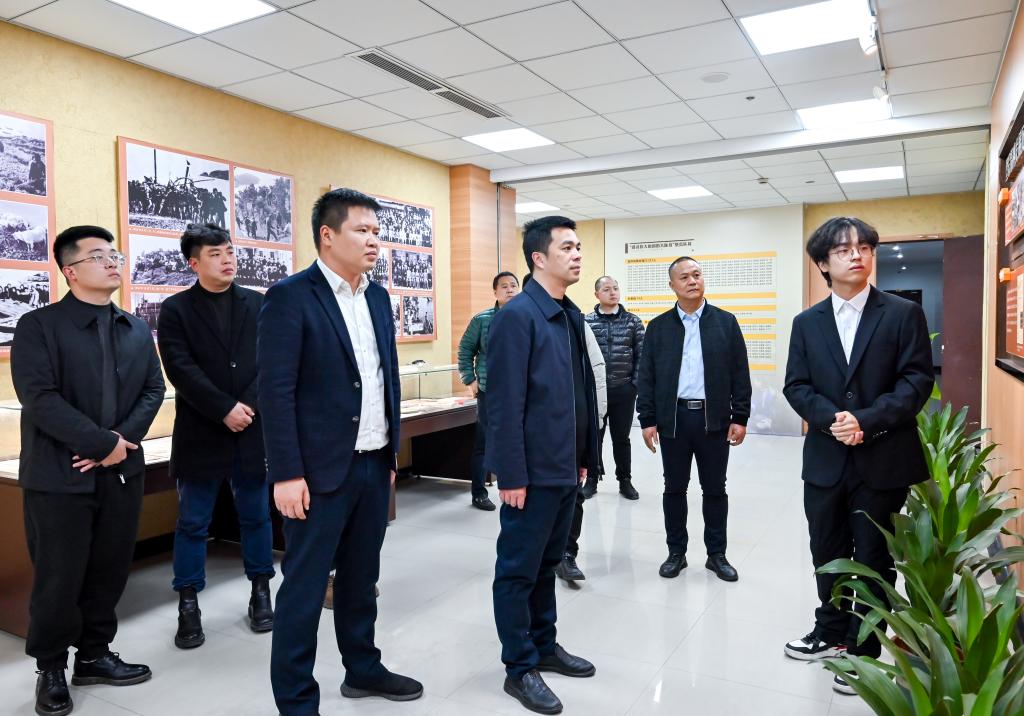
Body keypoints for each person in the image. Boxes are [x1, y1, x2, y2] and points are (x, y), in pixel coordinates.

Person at [260, 188, 421, 715]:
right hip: (316, 472)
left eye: (377, 231)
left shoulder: (377, 296)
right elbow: (275, 392)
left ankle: (363, 668)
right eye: (362, 230)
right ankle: (296, 699)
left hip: (373, 462)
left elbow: (385, 377)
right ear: (327, 235)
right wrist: (286, 473)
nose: (374, 240)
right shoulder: (290, 297)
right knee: (305, 589)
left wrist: (390, 455)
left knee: (362, 577)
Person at [11, 226, 165, 716]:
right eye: (99, 256)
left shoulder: (135, 327)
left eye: (115, 254)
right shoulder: (39, 326)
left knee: (109, 570)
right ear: (70, 270)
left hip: (120, 472)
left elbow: (153, 390)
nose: (113, 262)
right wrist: (102, 444)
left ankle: (95, 655)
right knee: (59, 577)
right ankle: (51, 667)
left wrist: (119, 444)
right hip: (59, 476)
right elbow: (39, 398)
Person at [782, 217, 934, 695]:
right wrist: (833, 420)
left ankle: (863, 649)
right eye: (844, 249)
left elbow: (916, 381)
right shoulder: (807, 323)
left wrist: (865, 420)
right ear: (823, 264)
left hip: (883, 457)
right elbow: (796, 386)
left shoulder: (902, 314)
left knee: (872, 555)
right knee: (826, 550)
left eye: (865, 247)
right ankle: (829, 630)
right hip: (825, 459)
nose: (857, 255)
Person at [487, 216, 599, 715]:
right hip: (530, 473)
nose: (577, 254)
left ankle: (544, 645)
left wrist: (584, 458)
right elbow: (503, 403)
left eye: (578, 247)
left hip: (564, 467)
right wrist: (510, 473)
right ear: (538, 258)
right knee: (518, 571)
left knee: (547, 565)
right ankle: (519, 666)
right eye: (567, 247)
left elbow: (578, 392)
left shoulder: (568, 313)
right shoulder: (518, 316)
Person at [157, 223, 274, 650]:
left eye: (229, 251)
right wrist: (224, 408)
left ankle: (261, 591)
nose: (227, 260)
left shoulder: (258, 303)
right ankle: (188, 602)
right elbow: (179, 368)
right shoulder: (175, 309)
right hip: (202, 430)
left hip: (251, 428)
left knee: (256, 516)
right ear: (194, 263)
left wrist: (247, 405)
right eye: (215, 254)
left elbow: (270, 361)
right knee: (193, 522)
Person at [636, 256, 751, 583]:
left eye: (697, 275)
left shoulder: (725, 322)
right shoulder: (658, 327)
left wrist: (740, 416)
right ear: (672, 285)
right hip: (673, 420)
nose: (692, 281)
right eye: (684, 277)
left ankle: (717, 555)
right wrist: (647, 419)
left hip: (713, 420)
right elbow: (646, 377)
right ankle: (676, 552)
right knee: (674, 488)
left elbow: (740, 372)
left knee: (715, 489)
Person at [457, 271, 520, 511]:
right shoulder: (482, 319)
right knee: (483, 444)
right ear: (495, 291)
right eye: (504, 286)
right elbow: (465, 351)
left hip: (518, 392)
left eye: (513, 285)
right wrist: (470, 380)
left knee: (515, 441)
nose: (510, 289)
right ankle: (479, 493)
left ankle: (515, 487)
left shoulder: (526, 317)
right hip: (489, 391)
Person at [556, 314, 607, 584]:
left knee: (573, 492)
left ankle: (567, 554)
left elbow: (596, 369)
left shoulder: (575, 323)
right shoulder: (519, 321)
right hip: (535, 431)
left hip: (573, 425)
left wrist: (596, 419)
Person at [584, 275, 645, 500]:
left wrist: (634, 385)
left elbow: (642, 356)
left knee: (621, 438)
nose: (613, 292)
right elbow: (581, 357)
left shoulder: (632, 322)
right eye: (607, 289)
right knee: (594, 436)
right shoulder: (587, 322)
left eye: (616, 288)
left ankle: (625, 480)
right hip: (595, 392)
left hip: (623, 389)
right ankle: (592, 478)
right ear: (597, 294)